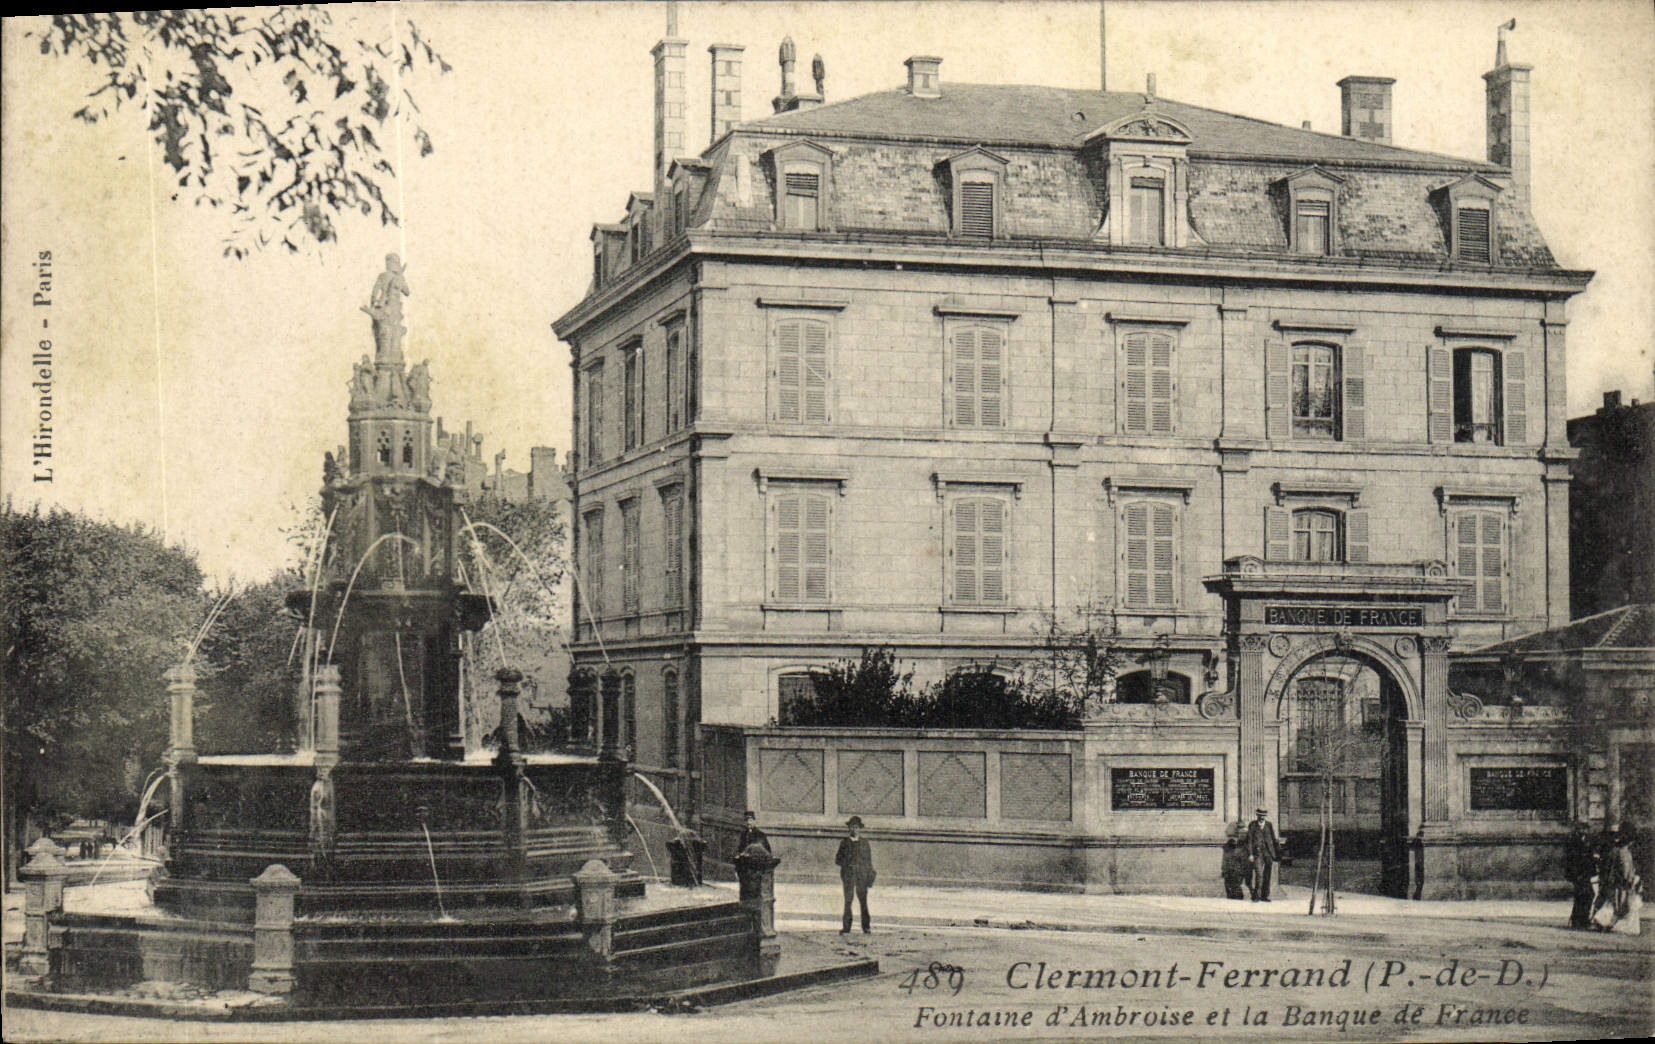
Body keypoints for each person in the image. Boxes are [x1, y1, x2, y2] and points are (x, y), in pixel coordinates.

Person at [1595, 830, 1642, 934]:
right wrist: (1630, 880)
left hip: (1612, 882)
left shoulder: (1613, 851)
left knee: (1611, 903)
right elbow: (1625, 869)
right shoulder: (1625, 853)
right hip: (1621, 884)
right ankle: (1606, 923)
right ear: (1629, 842)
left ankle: (1604, 923)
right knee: (1620, 905)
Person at [835, 815, 876, 934]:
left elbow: (868, 861)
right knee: (848, 900)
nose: (854, 829)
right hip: (848, 875)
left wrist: (869, 875)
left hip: (861, 875)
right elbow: (837, 860)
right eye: (852, 827)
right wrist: (847, 865)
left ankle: (866, 926)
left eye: (856, 827)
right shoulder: (844, 843)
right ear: (849, 828)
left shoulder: (864, 843)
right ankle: (846, 927)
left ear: (860, 829)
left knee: (863, 901)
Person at [1564, 821, 1599, 929]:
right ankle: (1580, 920)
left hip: (1584, 873)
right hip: (1579, 873)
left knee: (1584, 895)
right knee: (1585, 895)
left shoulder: (1585, 841)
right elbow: (1573, 859)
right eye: (1584, 830)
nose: (1586, 832)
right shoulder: (1575, 842)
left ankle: (1580, 920)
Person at [1246, 807, 1280, 902]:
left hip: (1268, 853)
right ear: (1257, 815)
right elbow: (1249, 840)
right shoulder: (1252, 825)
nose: (1262, 818)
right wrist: (1250, 854)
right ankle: (1256, 896)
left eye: (1263, 816)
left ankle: (1265, 896)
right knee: (1259, 874)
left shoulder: (1269, 825)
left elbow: (1273, 839)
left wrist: (1276, 854)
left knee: (1267, 875)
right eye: (1260, 816)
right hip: (1257, 854)